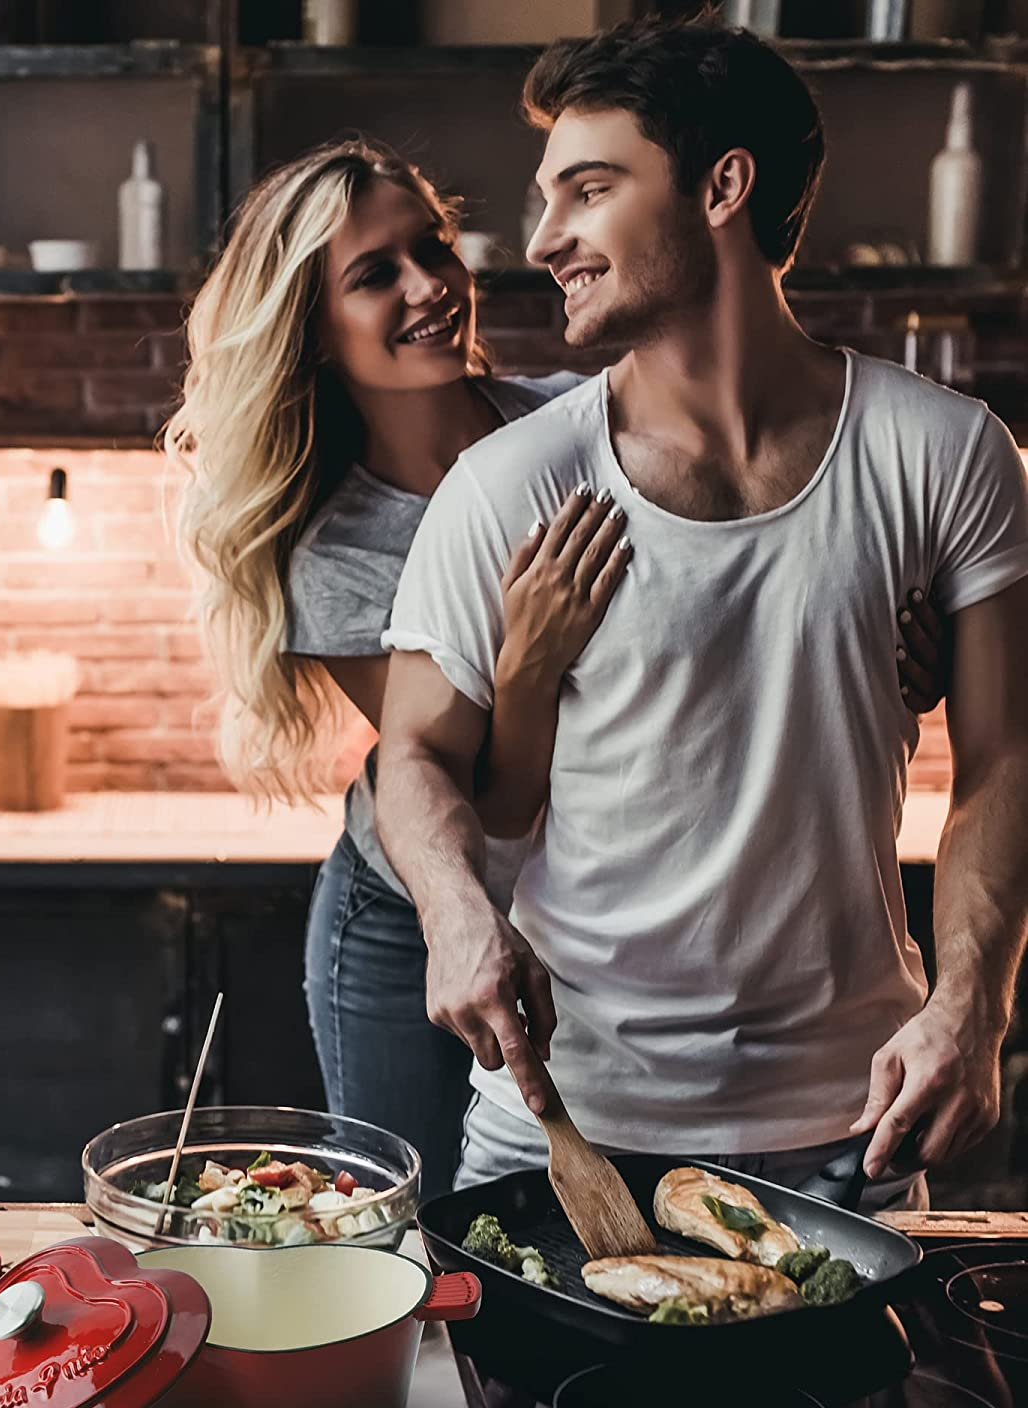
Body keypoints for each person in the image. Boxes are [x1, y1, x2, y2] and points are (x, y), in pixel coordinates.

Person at [167, 133, 948, 1199]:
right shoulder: (337, 552)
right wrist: (527, 663)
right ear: (312, 332)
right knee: (400, 1227)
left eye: (432, 248)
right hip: (408, 921)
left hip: (568, 927)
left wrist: (888, 646)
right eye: (374, 275)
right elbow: (488, 804)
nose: (430, 287)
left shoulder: (570, 429)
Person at [374, 17, 1028, 1211]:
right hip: (565, 1131)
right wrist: (458, 913)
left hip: (855, 1130)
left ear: (724, 185)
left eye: (590, 189)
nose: (545, 239)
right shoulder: (513, 484)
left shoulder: (946, 452)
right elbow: (413, 751)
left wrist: (974, 1003)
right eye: (547, 197)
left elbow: (1004, 756)